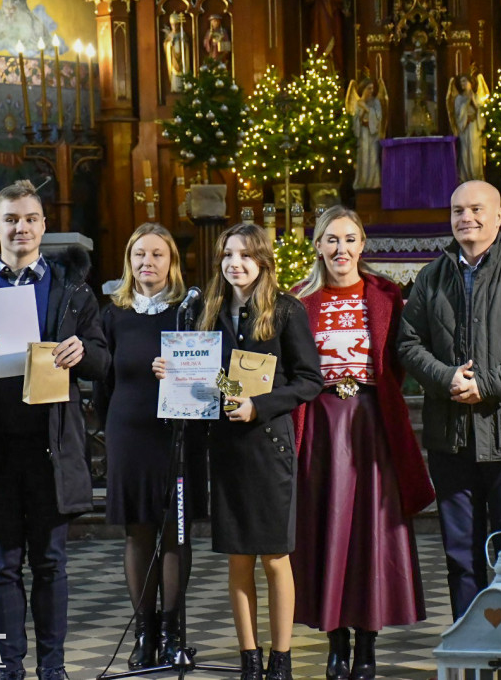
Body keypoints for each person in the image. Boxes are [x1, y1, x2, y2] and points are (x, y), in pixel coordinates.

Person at [0, 179, 109, 680]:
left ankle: (52, 668)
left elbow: (102, 358)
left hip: (51, 446)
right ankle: (9, 669)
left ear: (43, 226)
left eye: (30, 219)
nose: (21, 228)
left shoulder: (71, 289)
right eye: (11, 219)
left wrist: (82, 353)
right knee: (2, 568)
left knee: (52, 564)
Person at [397, 180, 501, 619]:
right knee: (460, 556)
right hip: (451, 437)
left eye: (475, 209)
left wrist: (486, 384)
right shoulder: (432, 277)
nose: (465, 218)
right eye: (457, 210)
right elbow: (408, 344)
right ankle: (469, 654)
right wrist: (446, 377)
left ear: (498, 216)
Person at [292, 206, 435, 679]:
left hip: (372, 422)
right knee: (326, 527)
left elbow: (398, 359)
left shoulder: (386, 293)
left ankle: (367, 643)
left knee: (371, 532)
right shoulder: (297, 299)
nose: (341, 250)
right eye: (331, 240)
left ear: (363, 244)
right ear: (317, 245)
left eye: (350, 239)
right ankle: (336, 641)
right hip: (321, 422)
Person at [193, 223, 322, 680]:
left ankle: (281, 659)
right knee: (238, 557)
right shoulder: (207, 309)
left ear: (263, 261)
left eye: (246, 256)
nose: (236, 264)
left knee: (274, 556)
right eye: (228, 255)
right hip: (226, 448)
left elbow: (310, 380)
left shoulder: (287, 310)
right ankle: (249, 657)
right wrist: (173, 370)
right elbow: (199, 370)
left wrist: (259, 406)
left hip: (269, 447)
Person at [94, 224, 206, 670]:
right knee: (139, 532)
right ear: (129, 261)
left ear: (172, 263)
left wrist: (179, 371)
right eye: (139, 254)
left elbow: (206, 380)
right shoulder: (113, 314)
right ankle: (144, 635)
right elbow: (103, 382)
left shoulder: (189, 311)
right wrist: (114, 423)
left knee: (177, 532)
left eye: (158, 255)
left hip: (178, 435)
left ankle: (174, 635)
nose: (148, 263)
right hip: (130, 435)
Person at [453, 76, 486, 183]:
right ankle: (465, 179)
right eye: (461, 82)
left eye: (464, 81)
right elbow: (457, 114)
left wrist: (473, 102)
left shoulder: (476, 96)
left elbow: (482, 111)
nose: (462, 84)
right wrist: (465, 110)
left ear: (471, 82)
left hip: (475, 127)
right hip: (465, 127)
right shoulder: (458, 98)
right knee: (465, 153)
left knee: (474, 152)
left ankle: (476, 178)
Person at [352, 79, 383, 190]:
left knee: (373, 157)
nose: (371, 90)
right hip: (363, 134)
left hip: (372, 134)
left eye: (372, 88)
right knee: (364, 158)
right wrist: (362, 112)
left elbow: (378, 117)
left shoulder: (375, 102)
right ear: (363, 89)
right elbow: (356, 120)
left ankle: (374, 183)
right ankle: (363, 183)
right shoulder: (358, 102)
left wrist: (366, 107)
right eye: (369, 88)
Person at [164, 13, 192, 93]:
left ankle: (184, 89)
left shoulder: (183, 34)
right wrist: (171, 43)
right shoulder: (170, 35)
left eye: (176, 25)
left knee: (182, 73)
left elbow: (187, 45)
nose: (174, 27)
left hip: (182, 59)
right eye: (173, 25)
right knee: (175, 74)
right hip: (173, 59)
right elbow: (166, 46)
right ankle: (175, 90)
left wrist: (183, 43)